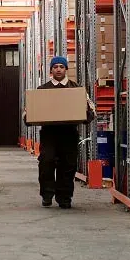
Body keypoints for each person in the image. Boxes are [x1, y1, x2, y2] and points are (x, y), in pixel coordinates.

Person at [26, 56, 95, 209]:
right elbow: (28, 113)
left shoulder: (76, 89)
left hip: (69, 133)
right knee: (46, 162)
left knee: (68, 165)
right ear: (51, 69)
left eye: (61, 67)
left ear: (66, 69)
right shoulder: (42, 90)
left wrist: (84, 115)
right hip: (49, 134)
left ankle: (64, 197)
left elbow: (91, 110)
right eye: (55, 66)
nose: (58, 69)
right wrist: (29, 117)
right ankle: (47, 194)